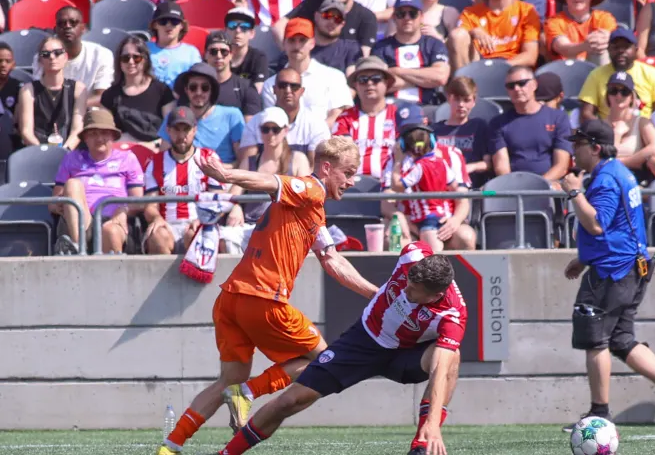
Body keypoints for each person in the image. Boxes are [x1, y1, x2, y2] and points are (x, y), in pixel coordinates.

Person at [155, 136, 379, 455]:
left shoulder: (312, 211)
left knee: (226, 383)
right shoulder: (311, 188)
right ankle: (249, 391)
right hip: (262, 298)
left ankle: (170, 447)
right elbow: (270, 181)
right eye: (349, 172)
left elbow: (333, 260)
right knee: (322, 358)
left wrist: (375, 293)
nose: (352, 181)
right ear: (327, 168)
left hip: (231, 299)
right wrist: (226, 175)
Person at [213, 242, 466, 455]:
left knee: (451, 356)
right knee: (290, 401)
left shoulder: (452, 314)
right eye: (407, 283)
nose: (405, 291)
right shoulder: (413, 255)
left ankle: (422, 442)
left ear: (434, 296)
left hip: (405, 356)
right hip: (364, 340)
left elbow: (440, 371)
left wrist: (433, 425)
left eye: (414, 292)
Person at [560, 119, 655, 432]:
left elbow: (597, 223)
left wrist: (573, 193)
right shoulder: (619, 171)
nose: (573, 150)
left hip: (612, 271)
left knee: (595, 340)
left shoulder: (606, 178)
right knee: (621, 340)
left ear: (595, 148)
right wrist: (583, 258)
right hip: (631, 266)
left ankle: (599, 414)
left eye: (578, 144)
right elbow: (617, 227)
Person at [51, 109, 144, 255]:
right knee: (72, 184)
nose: (99, 138)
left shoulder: (128, 159)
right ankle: (78, 247)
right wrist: (62, 205)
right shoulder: (72, 158)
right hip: (82, 222)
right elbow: (52, 203)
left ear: (113, 136)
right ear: (85, 138)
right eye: (93, 133)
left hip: (114, 221)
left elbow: (139, 202)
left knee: (110, 230)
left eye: (104, 132)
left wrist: (124, 209)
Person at [221, 107, 311, 254]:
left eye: (275, 129)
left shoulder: (298, 159)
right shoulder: (250, 162)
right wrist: (236, 206)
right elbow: (233, 194)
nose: (270, 134)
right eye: (265, 129)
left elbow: (308, 197)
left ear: (285, 130)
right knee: (224, 237)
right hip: (252, 226)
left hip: (284, 226)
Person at [389, 103, 476, 252]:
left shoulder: (451, 154)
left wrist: (455, 221)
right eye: (406, 134)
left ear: (426, 126)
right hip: (409, 221)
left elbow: (462, 198)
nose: (412, 140)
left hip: (444, 220)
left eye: (416, 130)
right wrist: (400, 218)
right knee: (397, 240)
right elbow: (387, 201)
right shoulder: (394, 158)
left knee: (466, 236)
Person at [143, 107, 225, 254]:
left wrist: (203, 220)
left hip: (199, 222)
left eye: (186, 129)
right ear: (168, 131)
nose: (181, 136)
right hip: (167, 226)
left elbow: (219, 201)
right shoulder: (155, 162)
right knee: (157, 237)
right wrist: (156, 218)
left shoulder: (208, 158)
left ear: (194, 130)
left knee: (195, 235)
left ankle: (197, 277)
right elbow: (150, 205)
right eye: (176, 130)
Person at [261, 17, 354, 128]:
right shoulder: (270, 85)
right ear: (284, 44)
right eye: (292, 40)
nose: (297, 46)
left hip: (325, 141)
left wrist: (316, 136)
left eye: (302, 40)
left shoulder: (334, 77)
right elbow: (273, 121)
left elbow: (339, 114)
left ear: (312, 43)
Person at [490, 66, 573, 187]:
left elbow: (561, 166)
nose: (517, 89)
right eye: (511, 86)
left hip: (548, 186)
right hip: (513, 188)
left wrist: (536, 186)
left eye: (522, 83)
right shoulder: (498, 123)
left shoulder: (558, 118)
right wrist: (518, 189)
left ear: (534, 85)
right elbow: (502, 168)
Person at [371, 0, 451, 105]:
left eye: (412, 13)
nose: (407, 18)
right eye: (401, 14)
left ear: (421, 17)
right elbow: (378, 85)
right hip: (390, 109)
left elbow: (440, 77)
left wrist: (397, 71)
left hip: (428, 108)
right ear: (394, 18)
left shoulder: (434, 44)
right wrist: (425, 80)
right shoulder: (380, 48)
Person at [159, 63, 246, 165]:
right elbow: (164, 159)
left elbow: (243, 161)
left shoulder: (232, 115)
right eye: (193, 87)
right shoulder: (174, 116)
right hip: (183, 177)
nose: (199, 92)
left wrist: (220, 171)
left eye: (205, 88)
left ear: (212, 90)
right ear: (186, 90)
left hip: (222, 177)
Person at [578, 27, 655, 122]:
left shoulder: (652, 74)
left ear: (636, 50)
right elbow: (586, 114)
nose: (620, 51)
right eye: (616, 47)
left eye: (626, 47)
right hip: (608, 128)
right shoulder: (596, 75)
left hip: (641, 128)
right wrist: (605, 130)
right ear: (608, 50)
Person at [32, 7, 114, 107]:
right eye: (62, 23)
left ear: (83, 28)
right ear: (55, 29)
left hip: (89, 110)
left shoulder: (101, 55)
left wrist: (70, 108)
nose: (67, 26)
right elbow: (38, 93)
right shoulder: (44, 56)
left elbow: (102, 96)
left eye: (73, 22)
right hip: (52, 111)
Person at [101, 36, 175, 146]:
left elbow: (171, 129)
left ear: (145, 60)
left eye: (136, 58)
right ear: (119, 62)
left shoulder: (162, 90)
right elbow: (106, 134)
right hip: (122, 153)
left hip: (156, 151)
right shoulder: (109, 95)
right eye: (125, 58)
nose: (131, 62)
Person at [18, 36, 87, 149]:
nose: (52, 57)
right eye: (45, 54)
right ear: (40, 60)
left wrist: (64, 152)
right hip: (38, 152)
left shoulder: (78, 89)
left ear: (66, 57)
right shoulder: (28, 90)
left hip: (69, 152)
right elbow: (26, 132)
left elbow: (77, 130)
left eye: (57, 53)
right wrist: (44, 153)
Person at [448, 0, 541, 70]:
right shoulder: (470, 13)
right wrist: (473, 32)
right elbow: (458, 39)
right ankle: (462, 85)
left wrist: (498, 67)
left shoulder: (527, 11)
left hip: (511, 67)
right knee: (458, 35)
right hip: (480, 65)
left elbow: (530, 56)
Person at [276, 0, 379, 56]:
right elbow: (278, 26)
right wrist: (289, 53)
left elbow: (365, 54)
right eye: (327, 15)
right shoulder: (312, 4)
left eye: (338, 18)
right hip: (310, 62)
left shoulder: (366, 16)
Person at [432, 76, 492, 188]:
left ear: (474, 102)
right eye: (457, 99)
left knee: (491, 193)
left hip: (473, 189)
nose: (461, 105)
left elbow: (488, 164)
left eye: (466, 100)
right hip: (442, 189)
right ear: (449, 99)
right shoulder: (435, 130)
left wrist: (468, 168)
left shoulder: (479, 126)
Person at [603, 71, 655, 183]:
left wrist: (623, 161)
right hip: (608, 180)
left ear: (632, 97)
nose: (618, 96)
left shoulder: (641, 122)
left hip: (636, 179)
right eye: (613, 91)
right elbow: (604, 161)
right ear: (607, 95)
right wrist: (617, 135)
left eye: (624, 92)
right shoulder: (600, 125)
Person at [203, 31, 263, 121]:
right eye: (213, 51)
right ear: (206, 55)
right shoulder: (195, 87)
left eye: (224, 52)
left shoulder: (246, 88)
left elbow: (250, 127)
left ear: (231, 55)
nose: (219, 56)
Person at [545, 0, 615, 63]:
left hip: (598, 70)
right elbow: (564, 48)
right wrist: (585, 46)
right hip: (566, 71)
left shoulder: (604, 18)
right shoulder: (554, 22)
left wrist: (603, 40)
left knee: (601, 50)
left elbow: (614, 41)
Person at [147, 2, 202, 89]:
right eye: (163, 21)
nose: (169, 25)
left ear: (182, 25)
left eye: (174, 21)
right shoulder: (144, 49)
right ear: (155, 25)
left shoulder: (192, 53)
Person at [226, 7, 270, 93]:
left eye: (244, 27)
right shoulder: (217, 55)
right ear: (226, 30)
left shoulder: (258, 57)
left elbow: (257, 91)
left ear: (252, 34)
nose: (238, 30)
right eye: (232, 25)